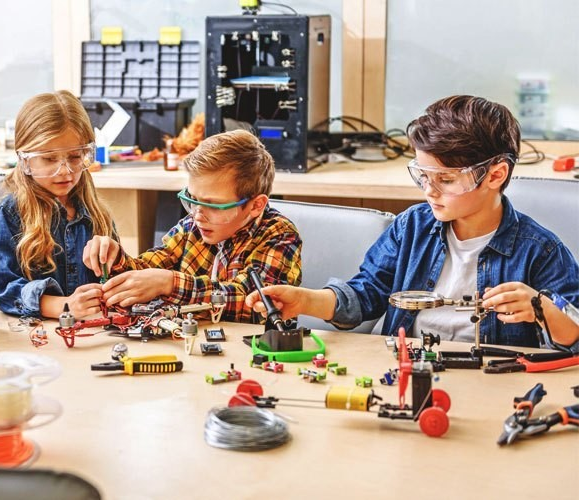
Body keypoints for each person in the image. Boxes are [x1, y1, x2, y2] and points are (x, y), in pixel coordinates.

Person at [246, 95, 579, 352]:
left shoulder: (541, 251)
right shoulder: (411, 228)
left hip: (492, 379)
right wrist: (304, 301)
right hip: (409, 365)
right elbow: (365, 295)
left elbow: (574, 336)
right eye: (423, 175)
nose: (429, 190)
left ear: (495, 175)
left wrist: (541, 309)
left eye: (446, 179)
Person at [83, 129, 302, 323]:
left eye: (213, 205)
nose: (198, 215)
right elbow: (150, 269)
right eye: (193, 199)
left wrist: (170, 284)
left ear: (256, 206)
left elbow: (253, 303)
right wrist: (117, 260)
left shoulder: (279, 235)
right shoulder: (192, 226)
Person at [0, 91, 116, 319]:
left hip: (93, 330)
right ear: (25, 158)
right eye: (49, 159)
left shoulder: (97, 213)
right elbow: (4, 290)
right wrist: (65, 306)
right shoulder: (13, 212)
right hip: (38, 333)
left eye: (75, 157)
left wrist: (117, 261)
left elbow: (116, 281)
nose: (65, 171)